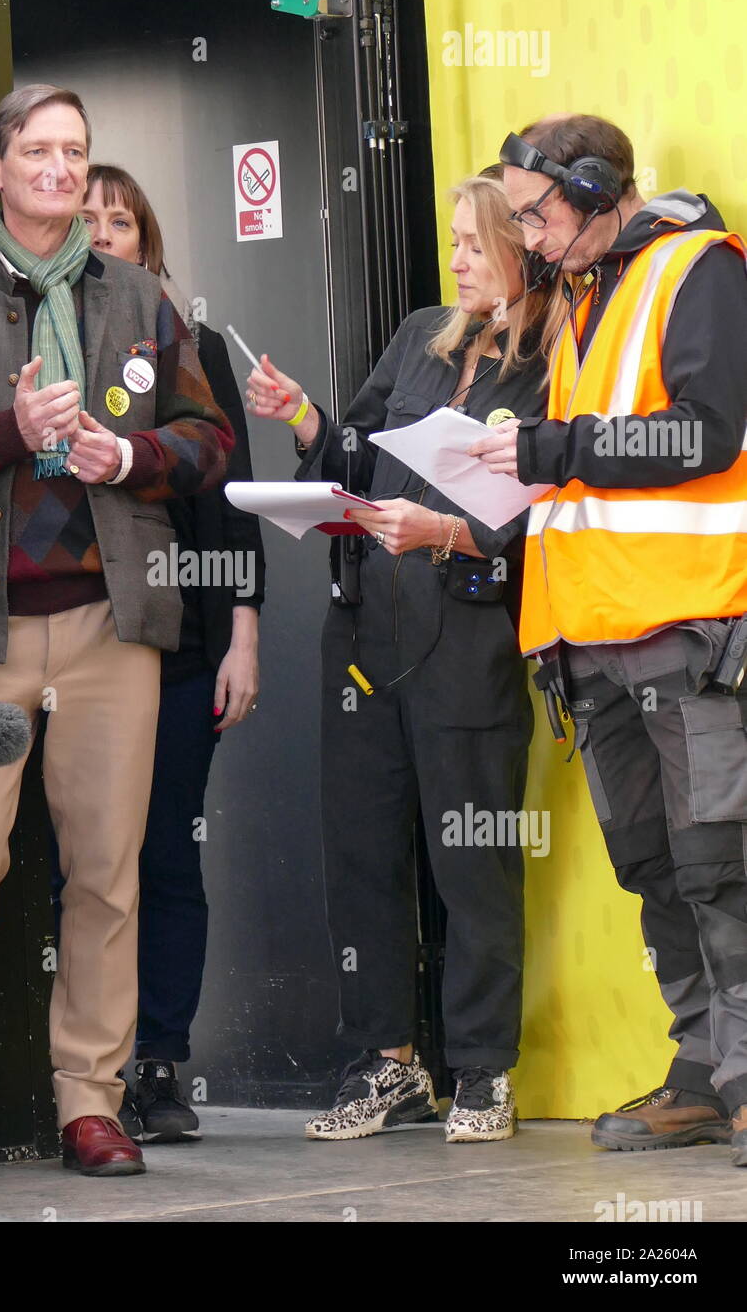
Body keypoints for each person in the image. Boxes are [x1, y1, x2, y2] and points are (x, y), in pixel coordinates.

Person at [0, 85, 233, 1181]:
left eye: (76, 152)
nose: (61, 170)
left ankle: (90, 1104)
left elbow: (209, 439)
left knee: (109, 877)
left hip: (113, 630)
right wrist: (1, 434)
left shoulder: (146, 302)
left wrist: (135, 458)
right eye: (39, 150)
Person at [247, 172, 562, 1142]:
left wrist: (451, 534)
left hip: (468, 639)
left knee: (470, 859)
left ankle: (482, 1068)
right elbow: (354, 455)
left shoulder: (555, 363)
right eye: (454, 240)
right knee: (365, 858)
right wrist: (304, 420)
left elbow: (555, 513)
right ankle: (384, 1061)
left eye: (475, 242)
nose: (457, 258)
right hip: (366, 641)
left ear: (521, 250)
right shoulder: (421, 336)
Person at [475, 113, 747, 1166]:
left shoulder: (697, 270)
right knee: (656, 868)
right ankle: (703, 1074)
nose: (531, 238)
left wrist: (556, 445)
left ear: (595, 187)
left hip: (684, 627)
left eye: (538, 213)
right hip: (590, 641)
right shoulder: (580, 300)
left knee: (721, 865)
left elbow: (706, 430)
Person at [80, 166, 265, 1141]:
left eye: (123, 220)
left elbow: (230, 499)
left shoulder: (190, 347)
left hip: (186, 645)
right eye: (89, 219)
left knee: (164, 856)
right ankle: (82, 1070)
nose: (105, 232)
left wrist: (243, 630)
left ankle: (158, 1065)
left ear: (147, 242)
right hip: (72, 648)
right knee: (85, 864)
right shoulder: (45, 344)